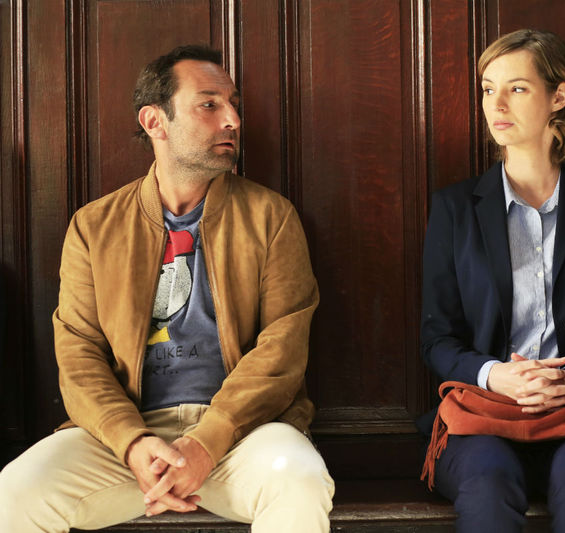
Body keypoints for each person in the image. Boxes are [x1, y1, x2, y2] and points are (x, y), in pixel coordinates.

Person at [0, 44, 334, 532]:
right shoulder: (94, 227)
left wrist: (206, 442)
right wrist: (132, 442)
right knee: (16, 490)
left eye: (233, 104)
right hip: (126, 442)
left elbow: (282, 349)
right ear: (155, 120)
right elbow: (78, 356)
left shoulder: (270, 216)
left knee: (298, 478)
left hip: (242, 436)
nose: (233, 120)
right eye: (209, 104)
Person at [419, 29, 565, 533]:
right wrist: (494, 375)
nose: (496, 104)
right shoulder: (454, 209)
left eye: (517, 88)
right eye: (488, 89)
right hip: (484, 417)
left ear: (558, 96)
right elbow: (437, 338)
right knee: (488, 482)